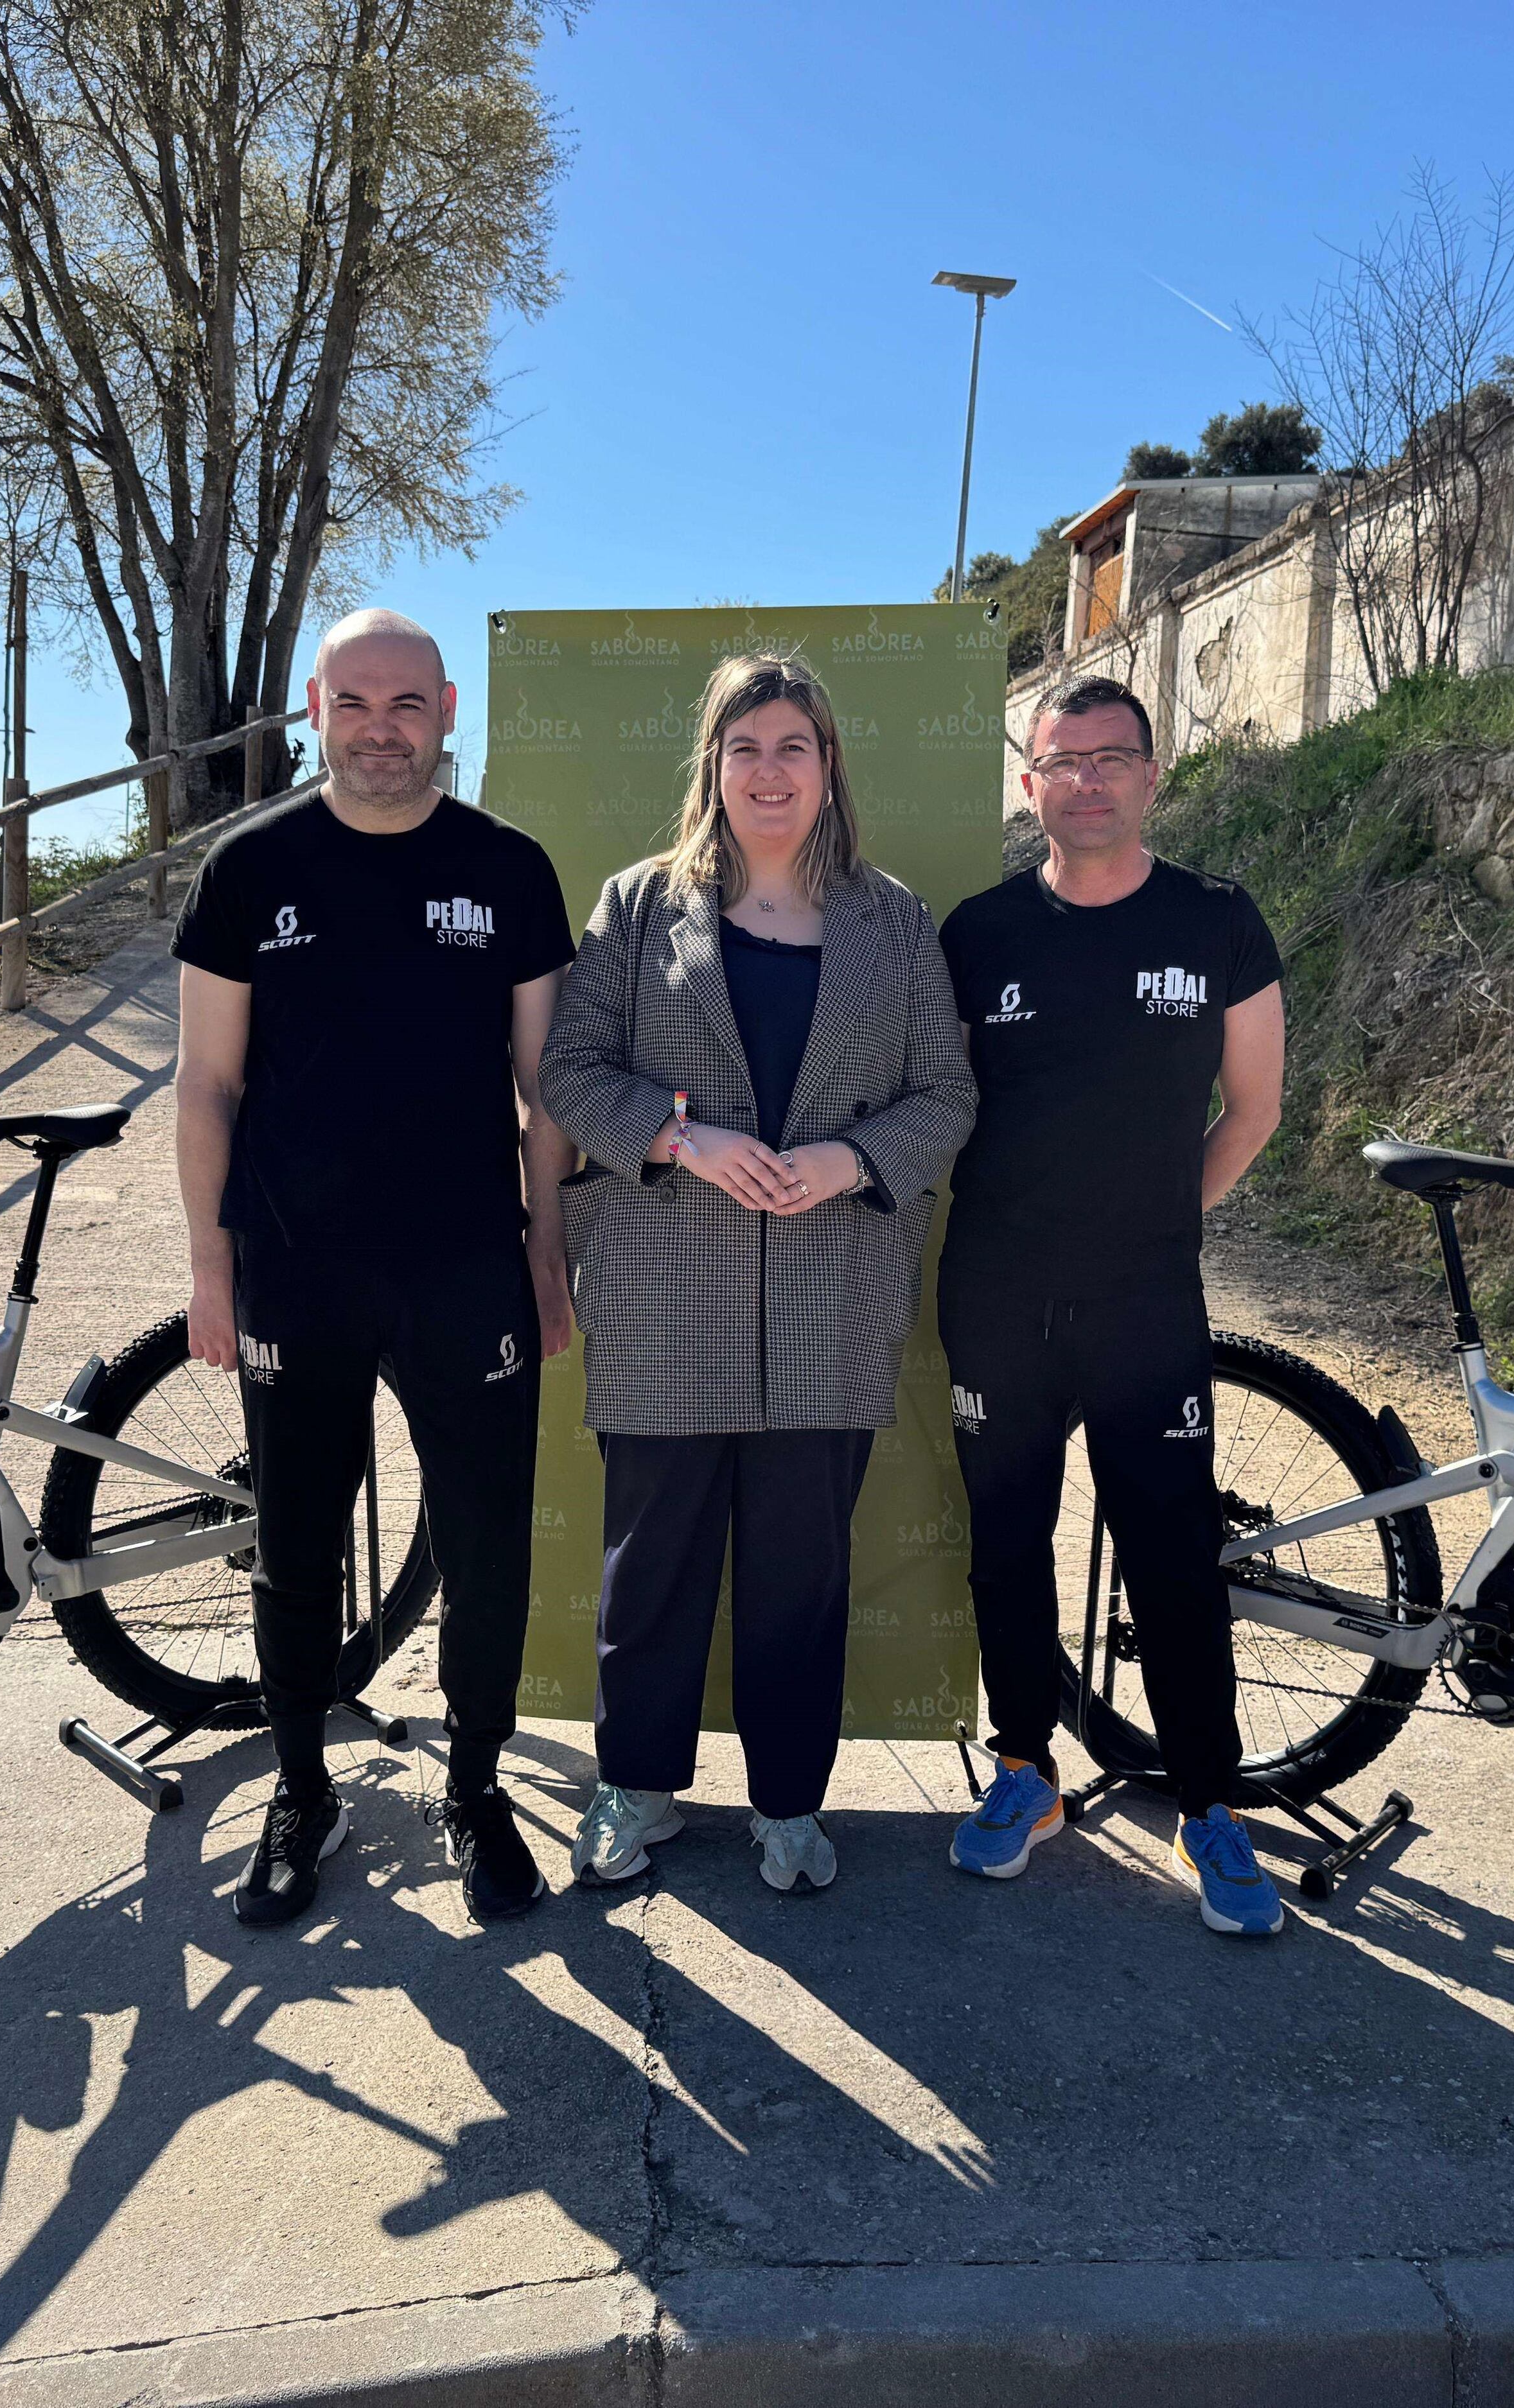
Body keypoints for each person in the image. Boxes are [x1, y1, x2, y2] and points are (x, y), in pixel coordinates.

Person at [540, 654, 976, 1896]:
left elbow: (948, 1095)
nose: (770, 771)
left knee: (802, 1571)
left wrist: (851, 1159)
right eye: (746, 748)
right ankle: (635, 1788)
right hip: (664, 1287)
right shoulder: (638, 906)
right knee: (652, 1563)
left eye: (794, 746)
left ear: (829, 765)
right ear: (714, 767)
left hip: (832, 1293)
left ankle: (790, 1802)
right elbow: (568, 1072)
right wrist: (681, 1138)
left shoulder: (894, 921)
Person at [172, 607, 576, 1932]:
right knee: (295, 1545)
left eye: (407, 703)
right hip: (298, 1269)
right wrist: (212, 1270)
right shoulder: (248, 868)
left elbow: (546, 1093)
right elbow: (207, 1083)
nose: (381, 728)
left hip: (467, 1267)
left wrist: (549, 1258)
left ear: (448, 710)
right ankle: (303, 1792)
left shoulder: (509, 869)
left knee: (486, 1543)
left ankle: (477, 1786)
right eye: (355, 702)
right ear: (314, 709)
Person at [935, 672, 1290, 1935]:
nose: (1087, 780)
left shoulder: (1217, 920)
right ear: (1029, 782)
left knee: (1172, 1553)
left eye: (1111, 758)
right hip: (996, 1295)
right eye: (1062, 760)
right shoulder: (978, 933)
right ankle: (1023, 1770)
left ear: (1151, 773)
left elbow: (1254, 1107)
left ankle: (1208, 1802)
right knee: (1006, 1543)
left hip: (1146, 1301)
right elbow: (940, 1107)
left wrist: (1162, 1219)